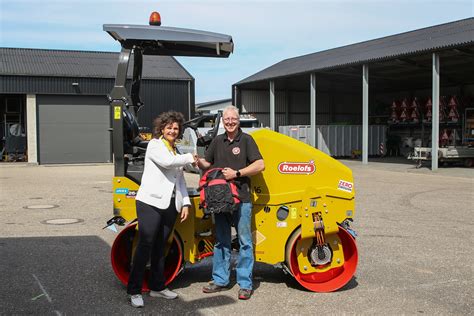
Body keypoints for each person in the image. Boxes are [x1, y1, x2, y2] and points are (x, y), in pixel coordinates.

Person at [127, 111, 197, 308]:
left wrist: (185, 203)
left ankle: (157, 287)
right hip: (150, 203)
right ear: (162, 128)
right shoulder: (155, 145)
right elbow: (168, 163)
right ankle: (134, 290)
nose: (173, 131)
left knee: (161, 246)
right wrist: (190, 157)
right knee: (145, 245)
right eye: (169, 127)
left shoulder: (175, 150)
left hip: (170, 205)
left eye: (176, 128)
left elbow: (179, 180)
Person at [196, 105, 265, 300]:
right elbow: (208, 163)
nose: (230, 122)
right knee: (221, 241)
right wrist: (199, 162)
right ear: (223, 121)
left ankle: (245, 284)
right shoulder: (218, 141)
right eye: (227, 119)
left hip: (242, 199)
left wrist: (237, 173)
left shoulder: (247, 140)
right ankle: (220, 280)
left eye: (233, 119)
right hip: (220, 199)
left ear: (238, 120)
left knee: (244, 242)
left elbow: (260, 164)